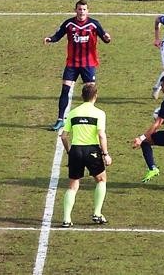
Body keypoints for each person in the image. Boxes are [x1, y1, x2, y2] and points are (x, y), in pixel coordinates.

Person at [44, 0, 111, 131]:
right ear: (75, 10)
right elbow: (58, 36)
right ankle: (60, 120)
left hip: (88, 64)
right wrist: (50, 39)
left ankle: (90, 118)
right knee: (65, 89)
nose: (82, 12)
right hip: (72, 64)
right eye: (79, 9)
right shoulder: (69, 23)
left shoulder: (94, 24)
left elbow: (105, 38)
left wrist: (108, 38)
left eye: (84, 9)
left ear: (88, 11)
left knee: (90, 92)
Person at [59, 84, 112, 228]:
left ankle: (66, 219)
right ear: (96, 96)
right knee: (101, 179)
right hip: (92, 150)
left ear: (82, 96)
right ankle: (97, 213)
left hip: (76, 150)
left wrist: (70, 151)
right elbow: (101, 135)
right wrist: (106, 154)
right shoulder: (99, 113)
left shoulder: (73, 113)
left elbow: (63, 136)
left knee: (73, 184)